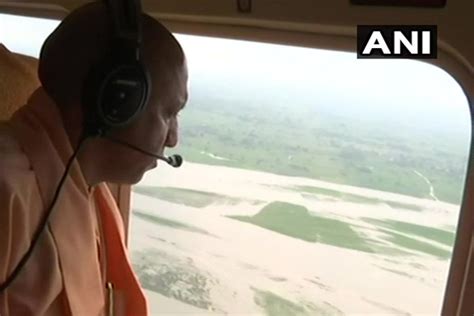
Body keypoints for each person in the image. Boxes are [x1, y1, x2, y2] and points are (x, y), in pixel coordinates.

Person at [0, 1, 188, 315]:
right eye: (169, 113)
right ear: (117, 100)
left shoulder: (89, 190)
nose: (173, 138)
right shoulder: (9, 196)